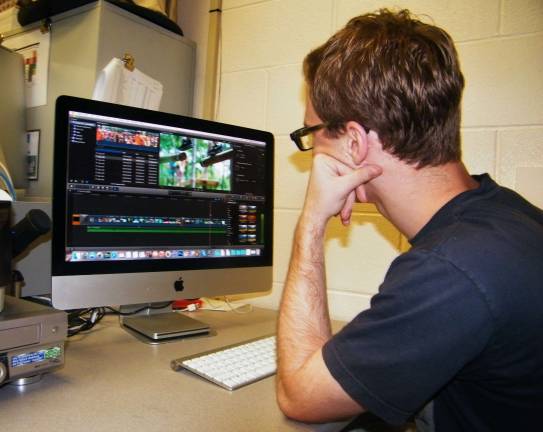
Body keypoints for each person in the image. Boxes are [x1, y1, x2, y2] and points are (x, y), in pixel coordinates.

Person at [276, 9, 543, 432]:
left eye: (312, 134)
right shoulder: (505, 214)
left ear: (354, 142)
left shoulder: (451, 269)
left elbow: (299, 396)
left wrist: (310, 223)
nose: (312, 153)